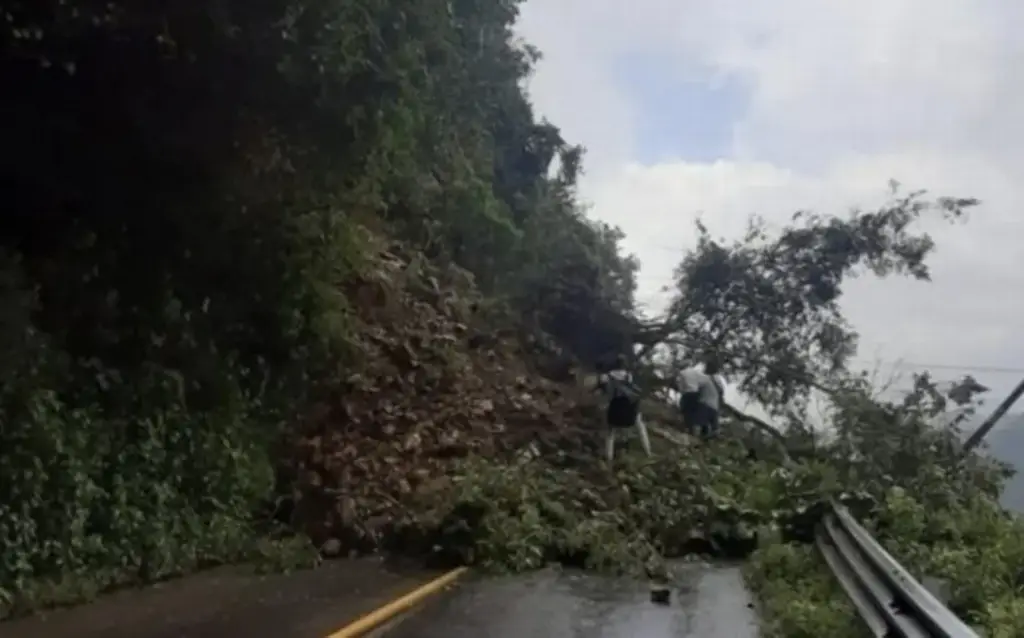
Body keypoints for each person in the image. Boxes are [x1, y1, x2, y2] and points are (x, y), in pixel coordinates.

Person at [596, 354, 652, 461]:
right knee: (640, 426)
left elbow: (603, 389)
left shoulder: (606, 376)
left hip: (615, 408)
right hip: (629, 408)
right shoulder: (628, 376)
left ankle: (609, 458)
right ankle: (648, 452)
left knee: (610, 433)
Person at [678, 358, 724, 439]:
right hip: (715, 406)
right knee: (707, 423)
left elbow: (691, 389)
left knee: (694, 418)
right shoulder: (713, 380)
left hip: (705, 404)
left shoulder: (703, 378)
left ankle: (693, 434)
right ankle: (709, 433)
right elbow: (720, 392)